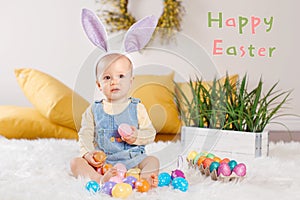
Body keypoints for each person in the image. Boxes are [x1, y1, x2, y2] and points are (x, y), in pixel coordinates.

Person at [70, 53, 159, 188]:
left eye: (121, 76)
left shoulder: (137, 107)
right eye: (107, 77)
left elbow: (150, 133)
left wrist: (136, 137)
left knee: (153, 160)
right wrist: (88, 154)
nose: (114, 81)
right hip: (104, 163)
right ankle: (100, 179)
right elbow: (85, 134)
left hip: (133, 159)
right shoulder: (94, 109)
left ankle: (145, 178)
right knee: (75, 163)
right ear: (99, 85)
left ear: (130, 81)